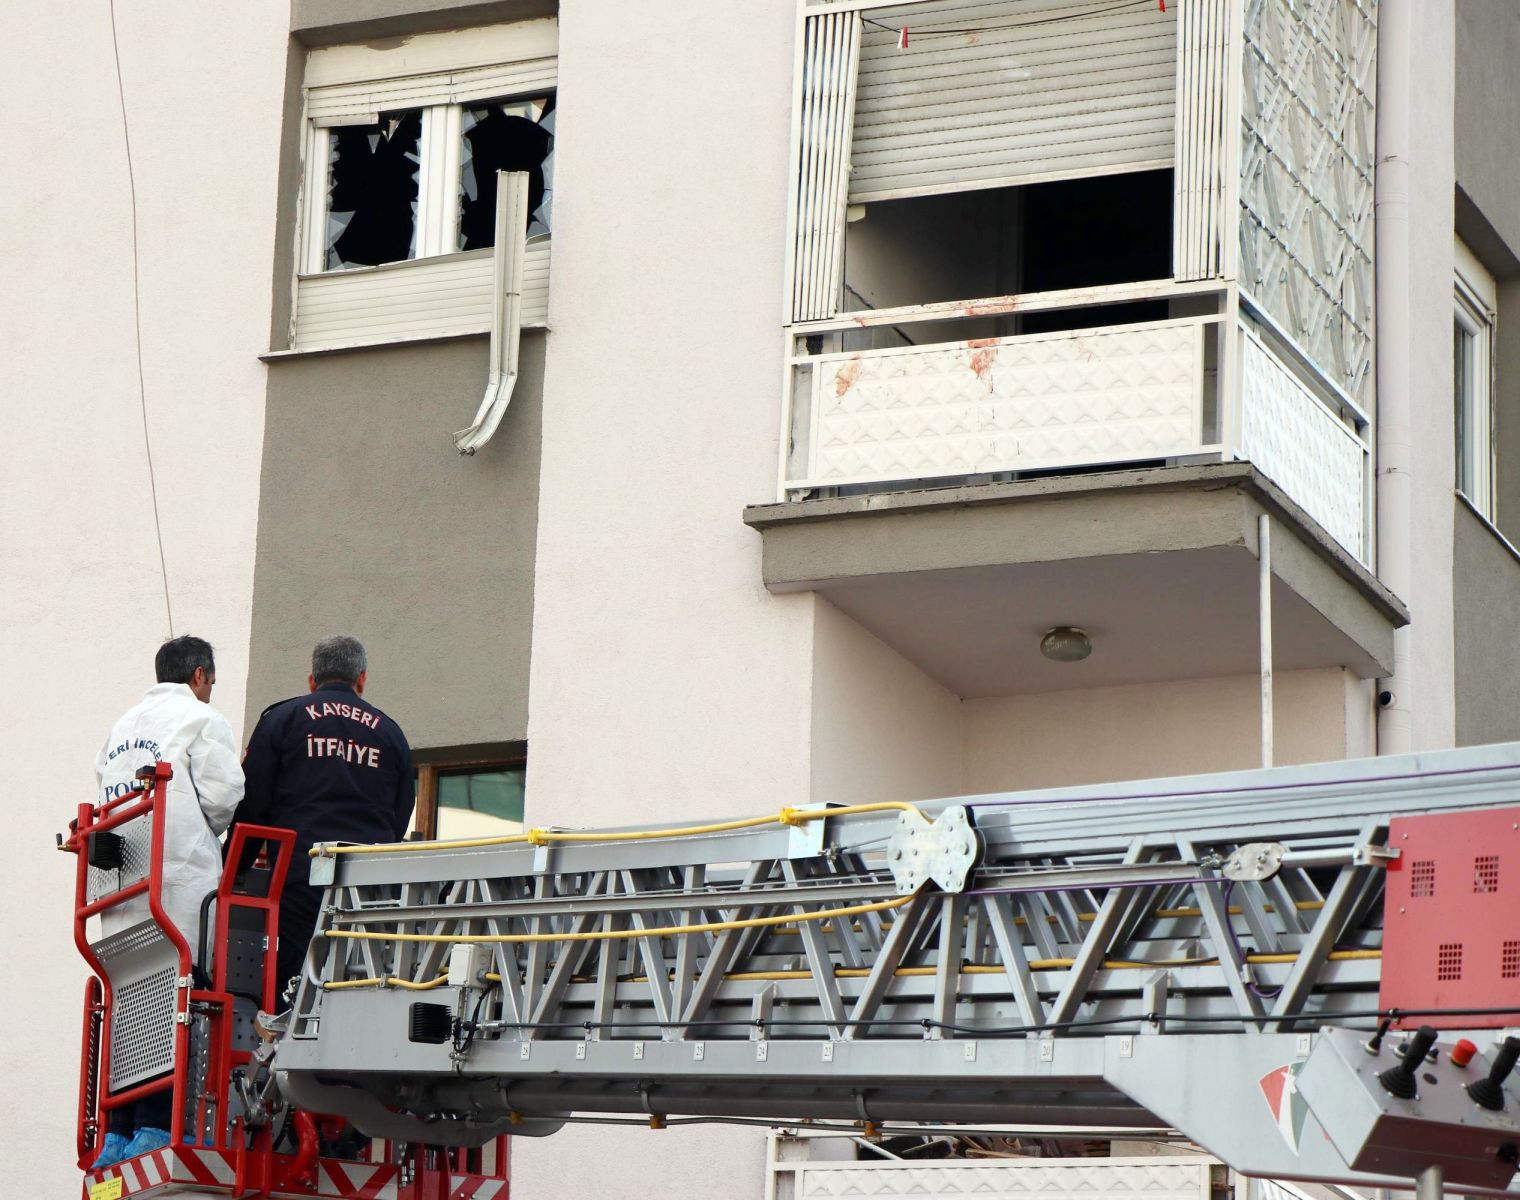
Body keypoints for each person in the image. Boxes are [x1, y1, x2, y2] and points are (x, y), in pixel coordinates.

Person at [92, 636, 245, 1168]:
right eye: (212, 682)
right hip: (178, 889)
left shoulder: (121, 728)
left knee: (130, 1008)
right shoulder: (201, 720)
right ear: (200, 675)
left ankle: (119, 1130)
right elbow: (225, 797)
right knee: (178, 1008)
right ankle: (156, 1124)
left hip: (120, 893)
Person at [236, 635, 413, 997]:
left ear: (312, 680)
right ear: (361, 679)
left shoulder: (282, 719)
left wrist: (234, 868)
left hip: (301, 876)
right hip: (372, 887)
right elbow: (400, 813)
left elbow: (254, 804)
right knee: (363, 984)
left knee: (296, 987)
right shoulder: (390, 732)